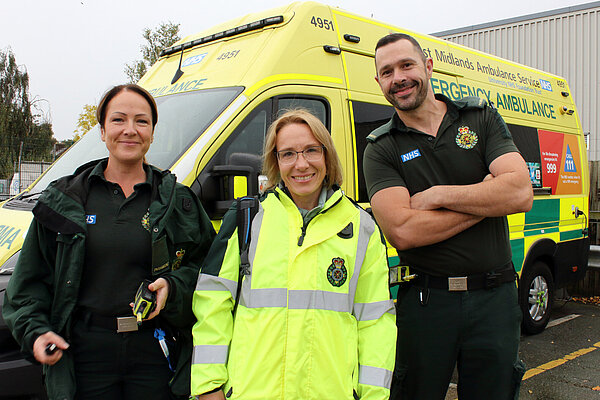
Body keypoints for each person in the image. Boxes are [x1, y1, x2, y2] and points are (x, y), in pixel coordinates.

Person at [2, 84, 215, 400]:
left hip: (155, 353)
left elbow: (210, 272)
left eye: (141, 121)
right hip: (85, 355)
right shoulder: (64, 201)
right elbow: (27, 284)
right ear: (102, 131)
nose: (130, 130)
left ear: (153, 133)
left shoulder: (178, 202)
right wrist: (36, 332)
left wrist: (173, 287)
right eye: (119, 120)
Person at [363, 33, 534, 400]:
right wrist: (487, 201)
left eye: (406, 65)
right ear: (379, 83)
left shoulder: (480, 116)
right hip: (427, 303)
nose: (399, 78)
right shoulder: (382, 147)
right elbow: (403, 231)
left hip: (495, 298)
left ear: (427, 66)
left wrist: (441, 196)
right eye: (387, 72)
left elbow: (519, 192)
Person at [190, 109, 396, 400]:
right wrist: (209, 386)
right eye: (287, 154)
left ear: (327, 155)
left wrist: (373, 396)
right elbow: (212, 305)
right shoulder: (246, 218)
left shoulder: (361, 227)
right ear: (275, 162)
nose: (301, 164)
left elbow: (375, 322)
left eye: (311, 150)